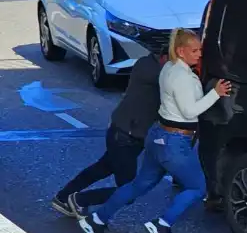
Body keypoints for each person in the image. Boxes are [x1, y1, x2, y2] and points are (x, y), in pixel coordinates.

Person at [78, 29, 232, 233]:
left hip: (158, 135)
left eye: (200, 49)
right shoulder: (181, 77)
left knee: (139, 184)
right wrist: (216, 93)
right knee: (198, 188)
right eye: (195, 50)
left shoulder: (169, 68)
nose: (199, 54)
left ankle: (97, 220)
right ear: (180, 51)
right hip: (174, 142)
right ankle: (163, 225)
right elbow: (190, 111)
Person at [51, 48, 166, 218]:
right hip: (126, 136)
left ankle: (63, 197)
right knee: (129, 190)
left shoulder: (147, 64)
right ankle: (80, 200)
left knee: (102, 168)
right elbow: (168, 82)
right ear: (165, 56)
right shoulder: (153, 71)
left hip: (124, 132)